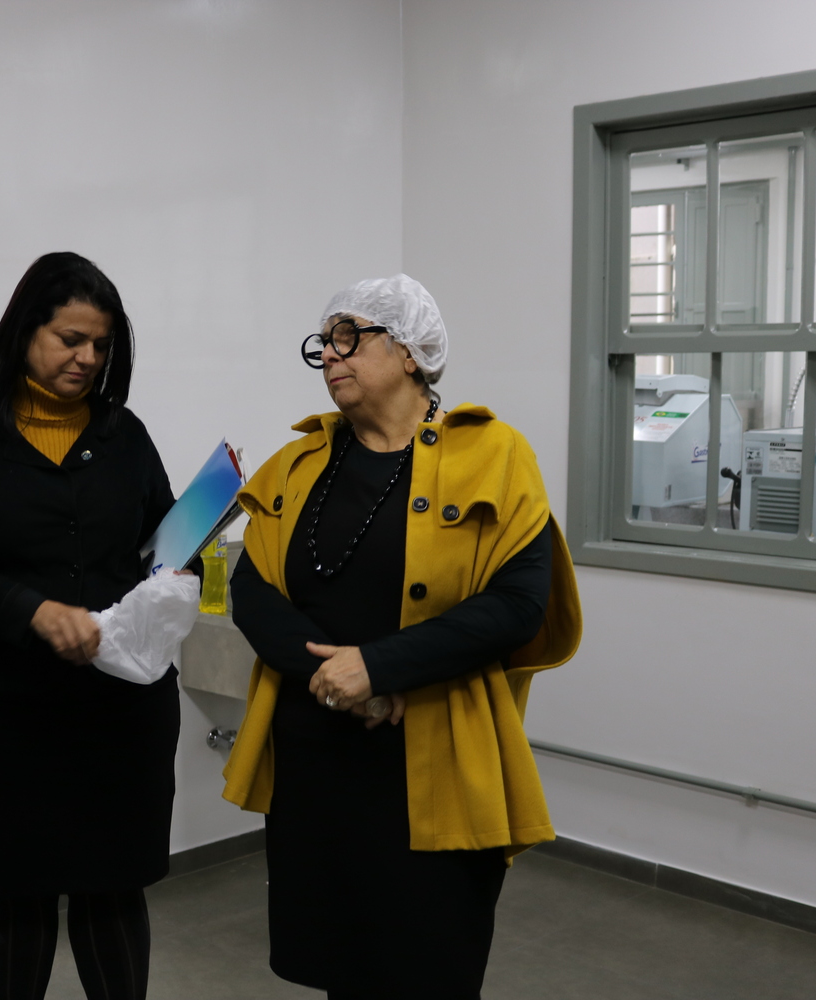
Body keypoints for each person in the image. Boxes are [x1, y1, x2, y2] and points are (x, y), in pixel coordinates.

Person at [221, 274, 582, 1000]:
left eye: (349, 336)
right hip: (316, 764)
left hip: (437, 764)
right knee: (341, 969)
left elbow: (517, 605)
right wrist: (337, 681)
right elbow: (252, 591)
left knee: (429, 968)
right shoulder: (298, 463)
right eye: (324, 342)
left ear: (411, 351)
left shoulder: (497, 455)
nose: (330, 354)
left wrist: (378, 669)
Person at [0, 252, 177, 1000]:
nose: (87, 358)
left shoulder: (123, 433)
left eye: (101, 345)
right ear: (26, 331)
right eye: (70, 339)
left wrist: (197, 535)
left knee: (113, 890)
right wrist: (30, 608)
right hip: (8, 717)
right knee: (19, 894)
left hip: (119, 714)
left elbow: (159, 542)